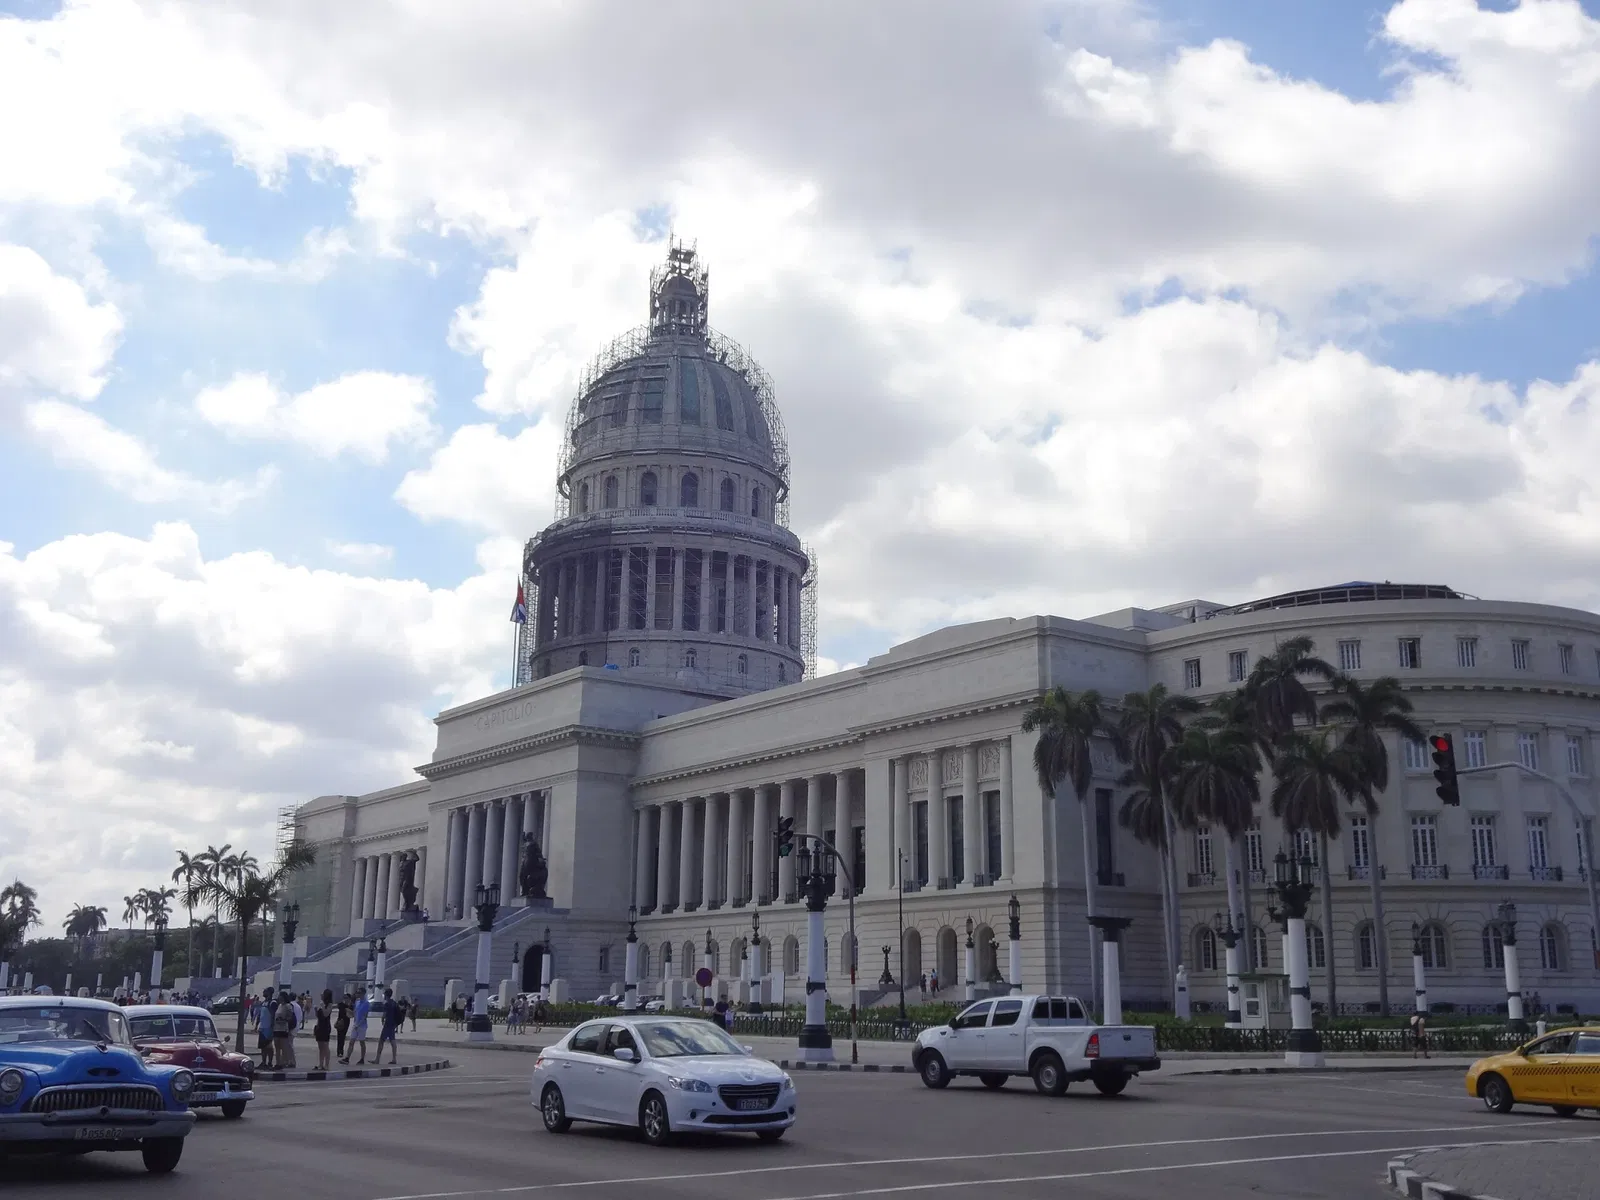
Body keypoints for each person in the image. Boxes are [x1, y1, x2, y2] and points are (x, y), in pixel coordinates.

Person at [272, 985, 297, 1068]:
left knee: (283, 1047)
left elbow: (290, 1017)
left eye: (280, 996)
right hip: (276, 1028)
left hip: (283, 1029)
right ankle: (277, 1063)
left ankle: (283, 1062)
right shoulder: (279, 1006)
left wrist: (283, 1019)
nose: (279, 998)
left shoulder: (288, 1006)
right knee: (277, 1047)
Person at [344, 986, 370, 1065]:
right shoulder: (357, 1002)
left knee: (362, 1042)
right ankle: (347, 1058)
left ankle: (362, 1058)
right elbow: (355, 1013)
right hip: (355, 1025)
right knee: (351, 1041)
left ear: (363, 993)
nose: (357, 994)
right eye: (357, 992)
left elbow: (365, 1016)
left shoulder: (366, 1003)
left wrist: (358, 1024)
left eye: (359, 992)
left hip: (362, 1026)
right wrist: (349, 1013)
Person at [377, 987, 401, 1065]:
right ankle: (394, 1058)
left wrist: (382, 1020)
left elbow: (385, 1014)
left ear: (386, 995)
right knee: (393, 1041)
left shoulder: (387, 1003)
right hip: (393, 1024)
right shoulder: (394, 1003)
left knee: (381, 1041)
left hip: (387, 1024)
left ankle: (377, 1059)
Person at [313, 989, 333, 1071]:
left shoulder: (329, 1004)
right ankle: (320, 1064)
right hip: (320, 1026)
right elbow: (319, 1016)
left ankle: (327, 1064)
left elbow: (326, 1014)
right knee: (320, 1046)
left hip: (325, 1026)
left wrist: (322, 1006)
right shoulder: (321, 1004)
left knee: (325, 1046)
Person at [257, 987, 277, 1069]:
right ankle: (263, 1062)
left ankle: (270, 1062)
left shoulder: (272, 1003)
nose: (263, 992)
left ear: (269, 992)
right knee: (262, 1046)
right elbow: (260, 1015)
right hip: (262, 1027)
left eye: (265, 991)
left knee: (269, 1046)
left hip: (268, 1028)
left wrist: (272, 1028)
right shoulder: (263, 1003)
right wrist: (257, 1025)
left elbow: (273, 1016)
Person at [334, 993, 352, 1061]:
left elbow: (351, 1014)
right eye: (344, 997)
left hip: (346, 1022)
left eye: (346, 998)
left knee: (343, 1036)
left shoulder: (350, 1006)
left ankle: (341, 1050)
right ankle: (339, 1051)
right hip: (340, 1021)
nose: (345, 999)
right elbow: (336, 1006)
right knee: (339, 1036)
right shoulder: (341, 1004)